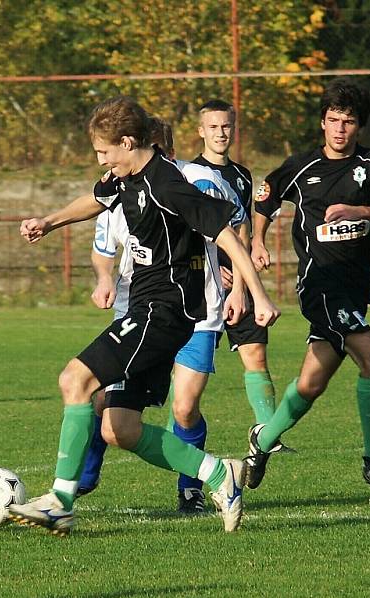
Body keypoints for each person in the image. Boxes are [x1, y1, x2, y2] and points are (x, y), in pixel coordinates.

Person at [8, 96, 280, 536]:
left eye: (104, 152)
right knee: (121, 427)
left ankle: (60, 500)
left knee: (74, 380)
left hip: (163, 311)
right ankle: (217, 474)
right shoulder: (125, 177)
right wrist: (50, 221)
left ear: (128, 142)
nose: (101, 161)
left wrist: (259, 296)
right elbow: (95, 200)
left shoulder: (166, 183)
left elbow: (227, 235)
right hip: (146, 308)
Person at [247, 78, 370, 491]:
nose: (340, 128)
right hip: (319, 285)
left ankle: (262, 441)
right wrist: (257, 241)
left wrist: (360, 210)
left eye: (349, 121)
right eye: (334, 120)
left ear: (359, 127)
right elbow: (264, 201)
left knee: (311, 384)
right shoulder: (302, 166)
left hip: (355, 290)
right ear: (322, 123)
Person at [78, 117, 249, 516]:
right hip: (137, 309)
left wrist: (238, 284)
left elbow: (233, 230)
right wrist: (104, 278)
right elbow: (104, 246)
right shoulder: (122, 184)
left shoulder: (195, 181)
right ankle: (81, 479)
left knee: (184, 407)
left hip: (197, 310)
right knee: (100, 397)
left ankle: (193, 490)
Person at [190, 100, 293, 484]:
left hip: (239, 282)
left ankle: (264, 437)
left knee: (256, 354)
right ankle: (191, 480)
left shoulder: (241, 175)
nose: (221, 133)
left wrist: (246, 272)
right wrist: (217, 271)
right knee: (188, 391)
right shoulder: (188, 174)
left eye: (227, 126)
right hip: (200, 288)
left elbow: (243, 228)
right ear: (200, 131)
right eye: (213, 127)